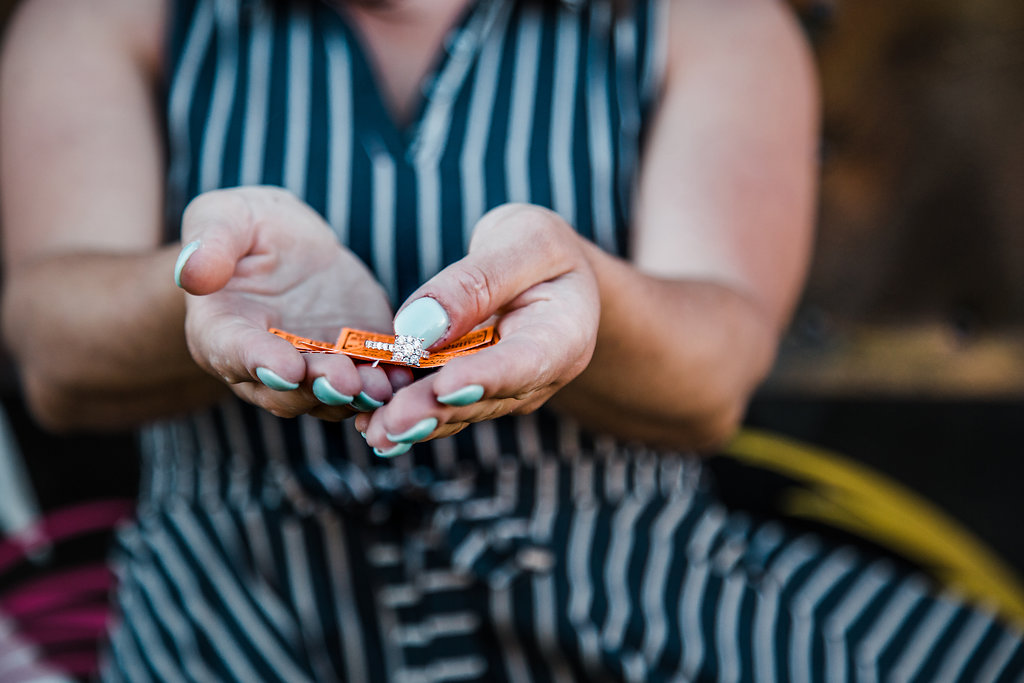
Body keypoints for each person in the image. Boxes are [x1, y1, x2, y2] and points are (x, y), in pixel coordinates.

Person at [1, 0, 1021, 680]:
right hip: (226, 626)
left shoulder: (712, 22)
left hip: (637, 612)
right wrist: (199, 286)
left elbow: (714, 375)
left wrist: (591, 301)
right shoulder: (107, 15)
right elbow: (53, 350)